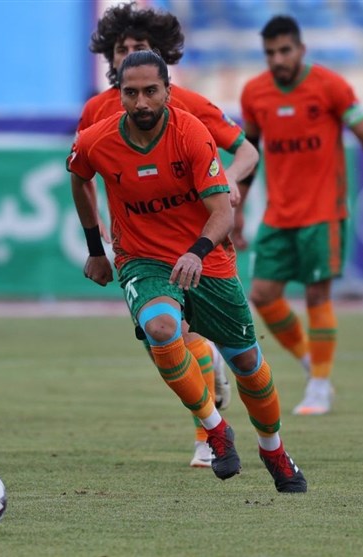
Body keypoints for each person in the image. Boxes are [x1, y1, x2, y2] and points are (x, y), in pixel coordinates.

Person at [67, 50, 306, 493]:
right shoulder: (96, 139)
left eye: (150, 91)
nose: (141, 102)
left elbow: (222, 211)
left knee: (248, 363)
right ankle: (215, 428)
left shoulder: (191, 133)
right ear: (119, 94)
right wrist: (96, 249)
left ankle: (273, 449)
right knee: (161, 328)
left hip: (206, 259)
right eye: (131, 93)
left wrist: (196, 252)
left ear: (167, 91)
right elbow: (79, 176)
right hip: (143, 259)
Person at [79, 2, 260, 468]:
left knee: (178, 333)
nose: (128, 54)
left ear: (159, 56)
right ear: (110, 57)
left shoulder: (189, 106)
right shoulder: (97, 111)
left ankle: (208, 437)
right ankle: (209, 409)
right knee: (163, 337)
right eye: (121, 48)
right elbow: (83, 173)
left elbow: (246, 151)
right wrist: (97, 238)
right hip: (139, 248)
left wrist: (229, 184)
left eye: (139, 47)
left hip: (195, 241)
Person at [235, 15, 363, 415]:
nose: (277, 59)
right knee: (262, 295)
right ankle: (311, 364)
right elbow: (250, 151)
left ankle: (318, 386)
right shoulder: (254, 93)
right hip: (278, 214)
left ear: (301, 50)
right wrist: (239, 207)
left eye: (284, 50)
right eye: (270, 53)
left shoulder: (331, 86)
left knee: (317, 295)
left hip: (323, 212)